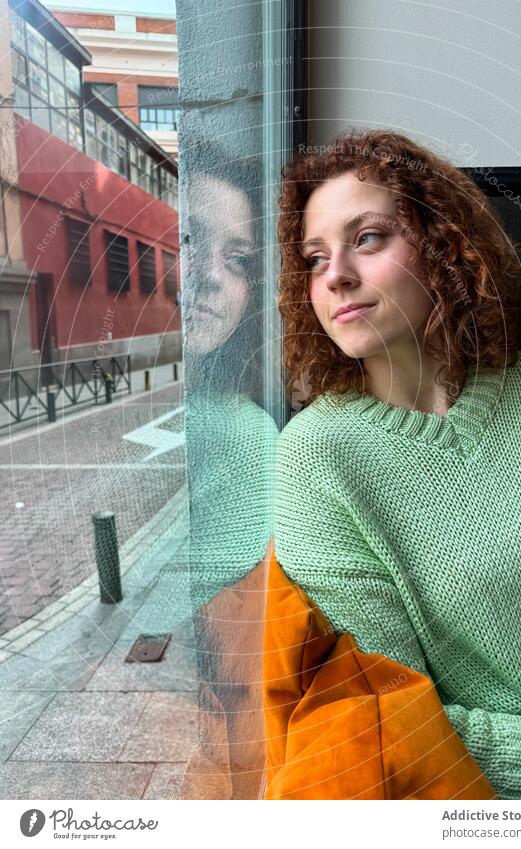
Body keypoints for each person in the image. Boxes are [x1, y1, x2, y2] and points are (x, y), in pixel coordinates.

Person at [273, 128, 521, 800]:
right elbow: (397, 724)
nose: (335, 274)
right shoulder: (315, 460)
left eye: (367, 237)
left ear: (444, 243)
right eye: (314, 257)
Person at [179, 142, 277, 799]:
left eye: (236, 259)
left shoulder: (247, 437)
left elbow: (240, 686)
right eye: (186, 239)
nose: (209, 276)